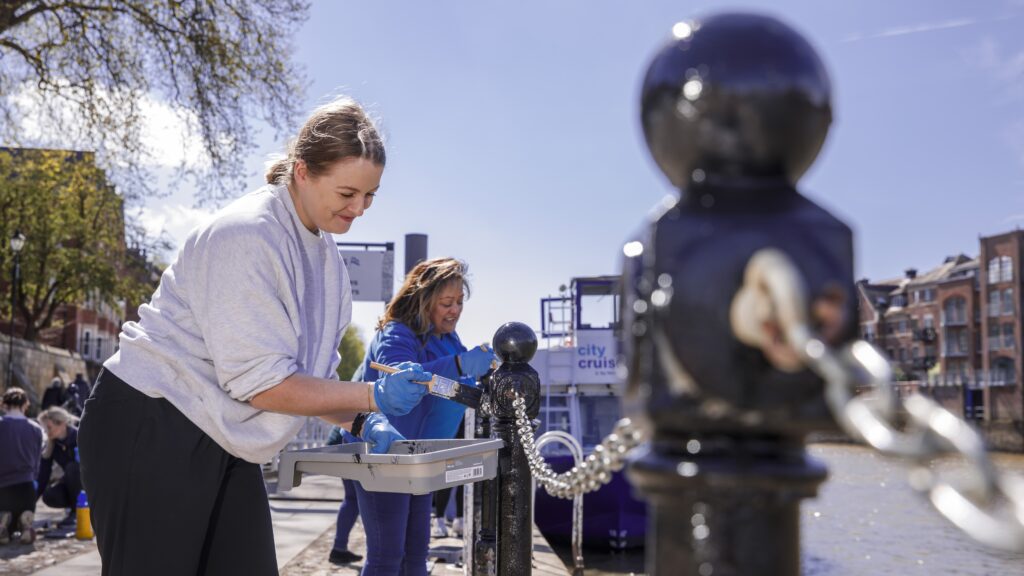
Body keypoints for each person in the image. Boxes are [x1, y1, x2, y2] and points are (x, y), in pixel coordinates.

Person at [77, 96, 430, 576]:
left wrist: (360, 422)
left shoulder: (328, 261)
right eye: (347, 193)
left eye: (370, 196)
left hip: (225, 432)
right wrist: (372, 396)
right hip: (153, 417)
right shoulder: (247, 236)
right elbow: (261, 383)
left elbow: (310, 380)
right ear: (303, 171)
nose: (359, 208)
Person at [353, 257, 497, 576]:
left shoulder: (449, 340)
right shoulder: (397, 334)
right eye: (447, 302)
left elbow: (457, 386)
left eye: (460, 302)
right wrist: (460, 365)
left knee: (417, 555)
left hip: (422, 458)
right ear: (423, 300)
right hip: (385, 452)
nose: (455, 310)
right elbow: (397, 376)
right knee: (386, 556)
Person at [0, 387, 45, 545]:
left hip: (2, 487)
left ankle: (3, 520)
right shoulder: (35, 429)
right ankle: (25, 521)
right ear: (26, 404)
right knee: (23, 514)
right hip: (26, 487)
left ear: (3, 404)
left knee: (7, 525)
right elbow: (37, 461)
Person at [36, 406, 81, 528]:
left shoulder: (80, 436)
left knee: (72, 468)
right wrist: (29, 506)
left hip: (90, 485)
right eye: (44, 428)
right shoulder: (52, 445)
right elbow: (43, 476)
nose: (46, 431)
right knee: (49, 495)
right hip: (72, 485)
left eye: (49, 427)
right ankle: (74, 509)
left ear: (61, 424)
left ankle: (77, 513)